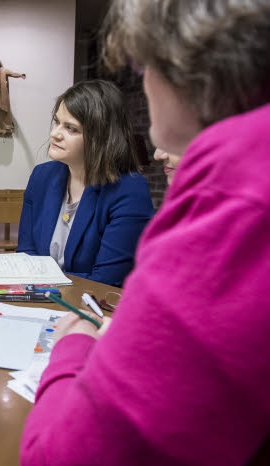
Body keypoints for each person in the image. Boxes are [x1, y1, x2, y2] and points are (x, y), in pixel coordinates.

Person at [20, 1, 270, 465]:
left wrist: (72, 346)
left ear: (176, 73)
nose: (157, 155)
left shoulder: (230, 196)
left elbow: (59, 456)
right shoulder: (44, 177)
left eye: (145, 65)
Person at [17, 79, 154, 287]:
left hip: (94, 311)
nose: (55, 134)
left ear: (101, 138)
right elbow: (26, 254)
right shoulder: (42, 176)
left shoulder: (130, 191)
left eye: (71, 128)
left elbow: (106, 282)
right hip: (40, 303)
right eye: (57, 122)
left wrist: (46, 288)